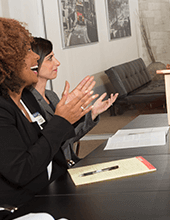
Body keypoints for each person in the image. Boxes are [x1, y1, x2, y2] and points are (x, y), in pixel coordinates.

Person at [0, 17, 97, 215]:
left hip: (52, 190)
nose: (35, 57)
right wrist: (61, 120)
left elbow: (48, 145)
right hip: (21, 208)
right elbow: (22, 170)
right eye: (26, 50)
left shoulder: (25, 96)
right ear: (5, 60)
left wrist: (71, 113)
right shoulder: (0, 109)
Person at [30, 37, 118, 165]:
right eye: (50, 58)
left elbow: (69, 138)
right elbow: (50, 144)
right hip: (54, 170)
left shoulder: (51, 96)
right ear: (33, 63)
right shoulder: (27, 103)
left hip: (70, 162)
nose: (57, 62)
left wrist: (92, 113)